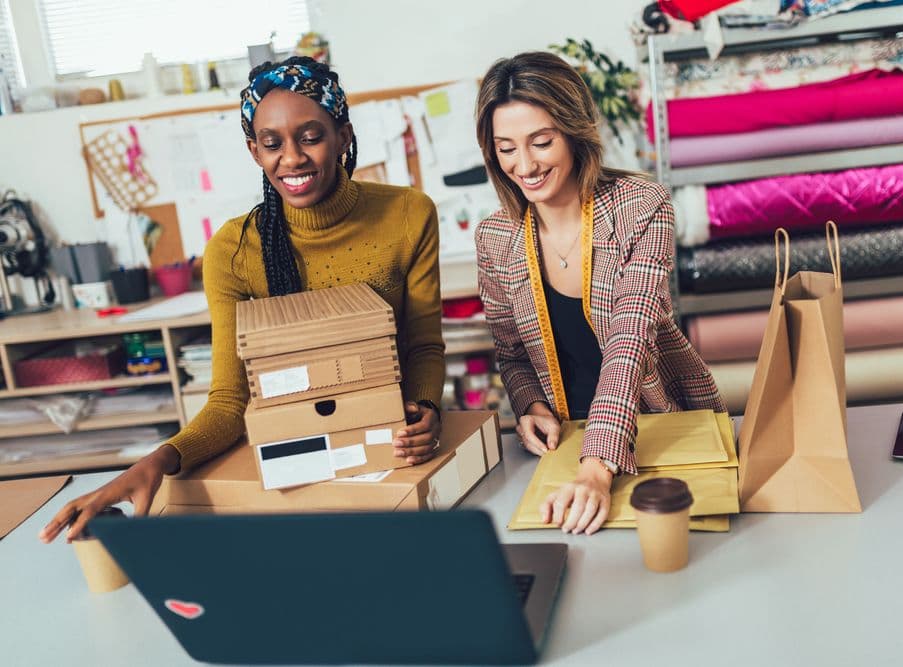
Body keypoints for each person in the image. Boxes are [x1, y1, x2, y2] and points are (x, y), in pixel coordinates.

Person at [41, 57, 445, 543]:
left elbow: (422, 344)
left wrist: (425, 407)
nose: (291, 158)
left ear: (342, 134)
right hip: (292, 465)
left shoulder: (407, 213)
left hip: (388, 451)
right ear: (255, 151)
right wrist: (156, 460)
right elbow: (232, 399)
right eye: (272, 144)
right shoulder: (233, 250)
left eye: (311, 136)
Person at [474, 52, 724, 536]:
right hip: (564, 443)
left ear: (574, 131)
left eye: (541, 142)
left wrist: (596, 467)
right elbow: (511, 351)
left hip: (659, 423)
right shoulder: (494, 237)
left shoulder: (642, 205)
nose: (524, 165)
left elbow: (630, 337)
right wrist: (529, 405)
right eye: (506, 148)